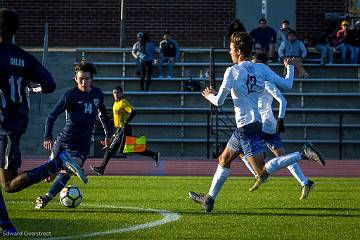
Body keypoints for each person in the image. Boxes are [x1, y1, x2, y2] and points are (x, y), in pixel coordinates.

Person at [188, 32, 324, 213]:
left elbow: (219, 101)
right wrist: (289, 68)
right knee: (224, 158)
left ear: (237, 50)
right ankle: (209, 199)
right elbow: (287, 85)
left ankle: (302, 153)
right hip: (253, 125)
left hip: (246, 128)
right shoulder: (260, 68)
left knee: (262, 173)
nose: (229, 53)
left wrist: (208, 95)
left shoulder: (232, 71)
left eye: (230, 49)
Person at [0, 8, 87, 233]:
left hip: (2, 125)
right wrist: (30, 89)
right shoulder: (24, 57)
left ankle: (58, 163)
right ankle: (6, 226)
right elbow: (48, 84)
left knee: (9, 185)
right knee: (7, 184)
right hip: (17, 122)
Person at [34, 60, 113, 209]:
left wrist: (108, 135)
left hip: (82, 144)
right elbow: (51, 116)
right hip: (64, 141)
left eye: (87, 78)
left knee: (70, 169)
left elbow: (103, 116)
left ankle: (45, 199)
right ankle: (61, 162)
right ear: (75, 79)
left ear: (92, 79)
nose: (84, 81)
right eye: (81, 78)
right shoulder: (70, 95)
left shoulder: (98, 94)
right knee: (49, 178)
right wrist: (47, 137)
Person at [239, 53, 314, 199]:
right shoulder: (257, 81)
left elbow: (283, 101)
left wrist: (281, 120)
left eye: (255, 64)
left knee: (239, 148)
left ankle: (259, 175)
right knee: (282, 156)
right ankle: (305, 182)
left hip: (260, 124)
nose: (252, 67)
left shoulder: (265, 83)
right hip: (267, 124)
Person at [90, 86, 160, 176]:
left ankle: (101, 169)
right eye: (114, 93)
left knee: (112, 149)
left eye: (118, 92)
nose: (116, 94)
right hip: (119, 130)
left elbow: (133, 112)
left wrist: (125, 122)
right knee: (129, 148)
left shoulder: (123, 102)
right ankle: (154, 155)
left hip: (123, 129)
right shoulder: (115, 104)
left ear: (122, 93)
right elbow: (115, 117)